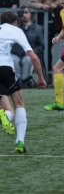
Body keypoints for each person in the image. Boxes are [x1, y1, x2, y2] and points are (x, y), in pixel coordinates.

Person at [0, 11, 46, 152]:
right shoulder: (15, 30)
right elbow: (32, 56)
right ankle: (20, 141)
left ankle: (4, 116)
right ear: (15, 22)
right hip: (5, 68)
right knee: (19, 104)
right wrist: (41, 78)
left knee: (8, 111)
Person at [28, 0, 62, 84]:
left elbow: (61, 1)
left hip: (51, 28)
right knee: (41, 51)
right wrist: (42, 6)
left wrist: (55, 5)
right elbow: (30, 3)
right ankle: (41, 75)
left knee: (48, 51)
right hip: (40, 26)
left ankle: (49, 74)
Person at [11, 6, 46, 87]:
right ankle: (17, 82)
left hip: (29, 54)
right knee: (13, 59)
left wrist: (32, 52)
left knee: (28, 60)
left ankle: (25, 82)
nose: (24, 15)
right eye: (22, 13)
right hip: (16, 53)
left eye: (26, 12)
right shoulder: (16, 28)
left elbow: (41, 46)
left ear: (30, 14)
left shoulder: (36, 29)